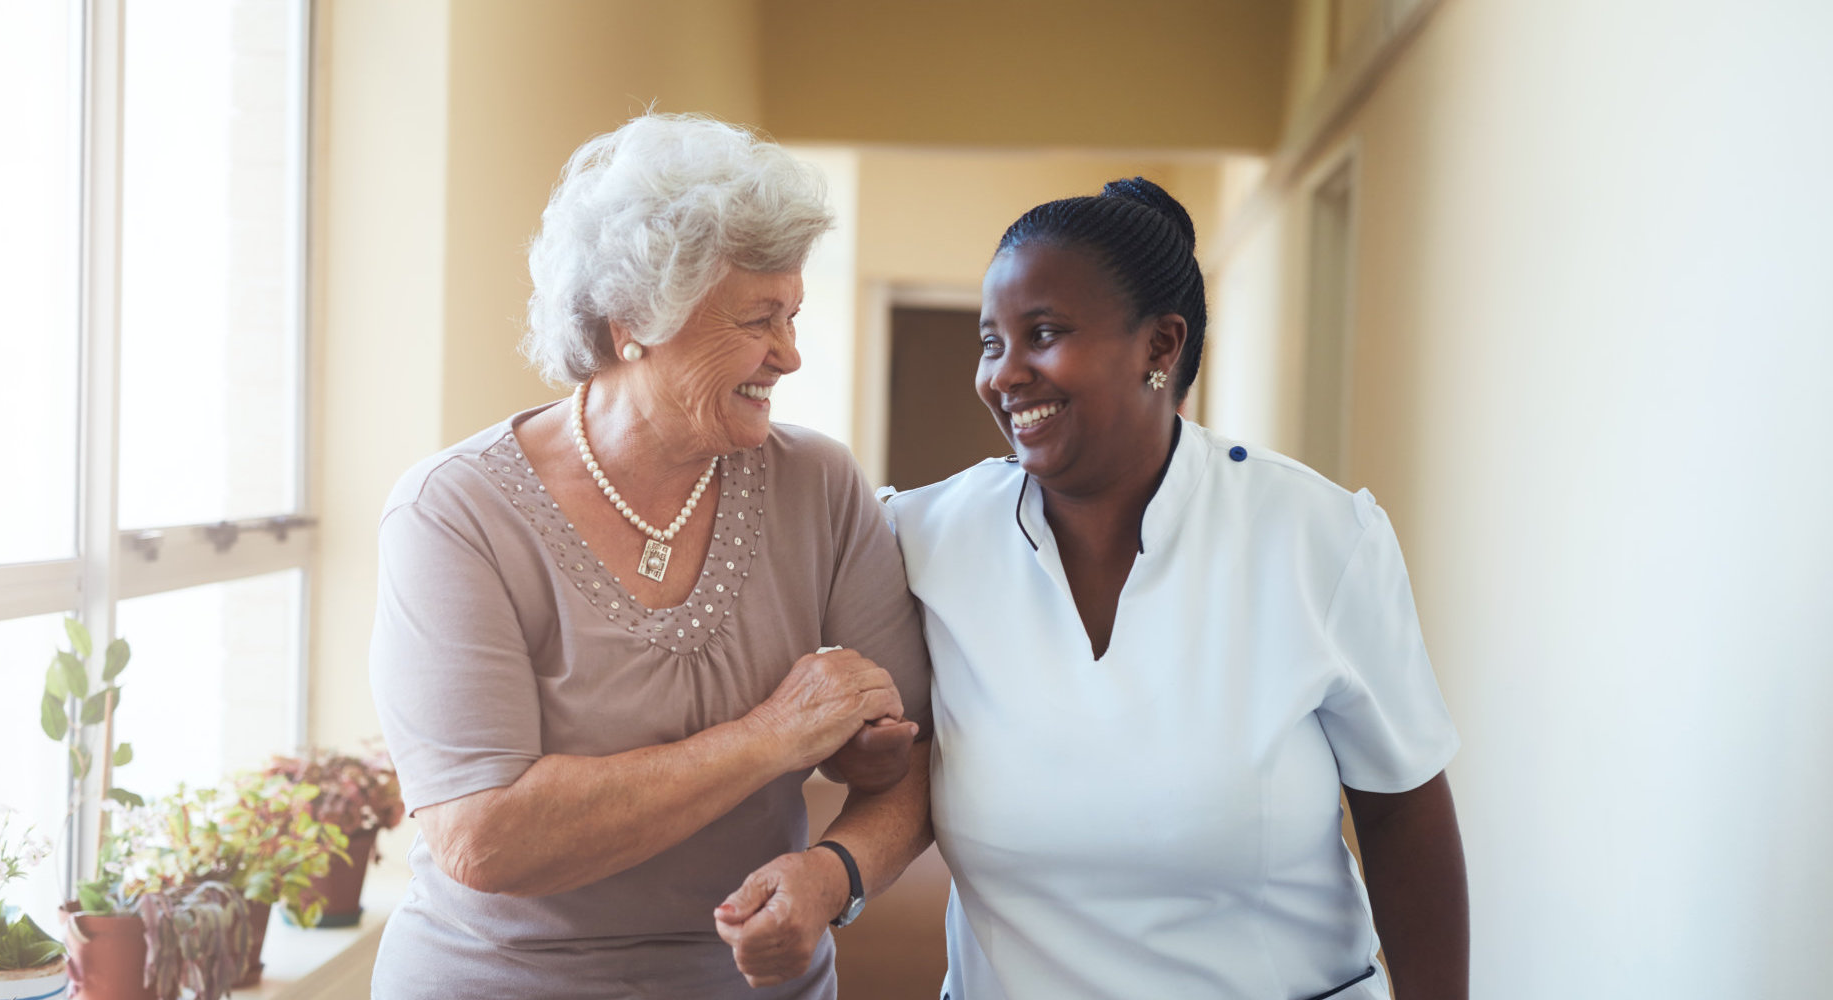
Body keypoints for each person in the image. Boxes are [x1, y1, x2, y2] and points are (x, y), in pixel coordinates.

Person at [726, 178, 1468, 998]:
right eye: (990, 342)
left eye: (1042, 334)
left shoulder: (1316, 539)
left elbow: (1403, 813)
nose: (1005, 376)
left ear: (1161, 346)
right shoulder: (922, 537)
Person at [366, 114, 931, 999]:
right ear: (633, 321)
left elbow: (922, 758)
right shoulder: (455, 512)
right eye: (759, 319)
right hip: (501, 980)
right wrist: (772, 737)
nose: (788, 354)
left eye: (792, 315)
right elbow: (485, 838)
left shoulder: (816, 483)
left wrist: (833, 875)